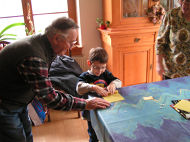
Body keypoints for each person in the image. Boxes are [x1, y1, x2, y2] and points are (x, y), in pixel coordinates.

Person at [0, 17, 110, 142]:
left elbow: (44, 85)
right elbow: (50, 98)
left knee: (27, 137)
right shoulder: (35, 56)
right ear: (57, 38)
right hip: (5, 104)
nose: (71, 47)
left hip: (19, 101)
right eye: (72, 42)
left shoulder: (43, 43)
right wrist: (86, 104)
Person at [76, 47, 122, 142]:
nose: (99, 71)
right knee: (93, 135)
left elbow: (119, 81)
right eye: (96, 67)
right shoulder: (85, 76)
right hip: (91, 112)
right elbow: (79, 88)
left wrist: (113, 84)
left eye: (103, 67)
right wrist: (93, 87)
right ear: (89, 63)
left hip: (106, 110)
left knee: (107, 131)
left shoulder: (106, 74)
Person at [156, 0, 190, 80]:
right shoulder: (172, 15)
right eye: (183, 3)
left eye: (188, 6)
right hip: (172, 71)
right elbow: (160, 42)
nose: (184, 7)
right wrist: (159, 64)